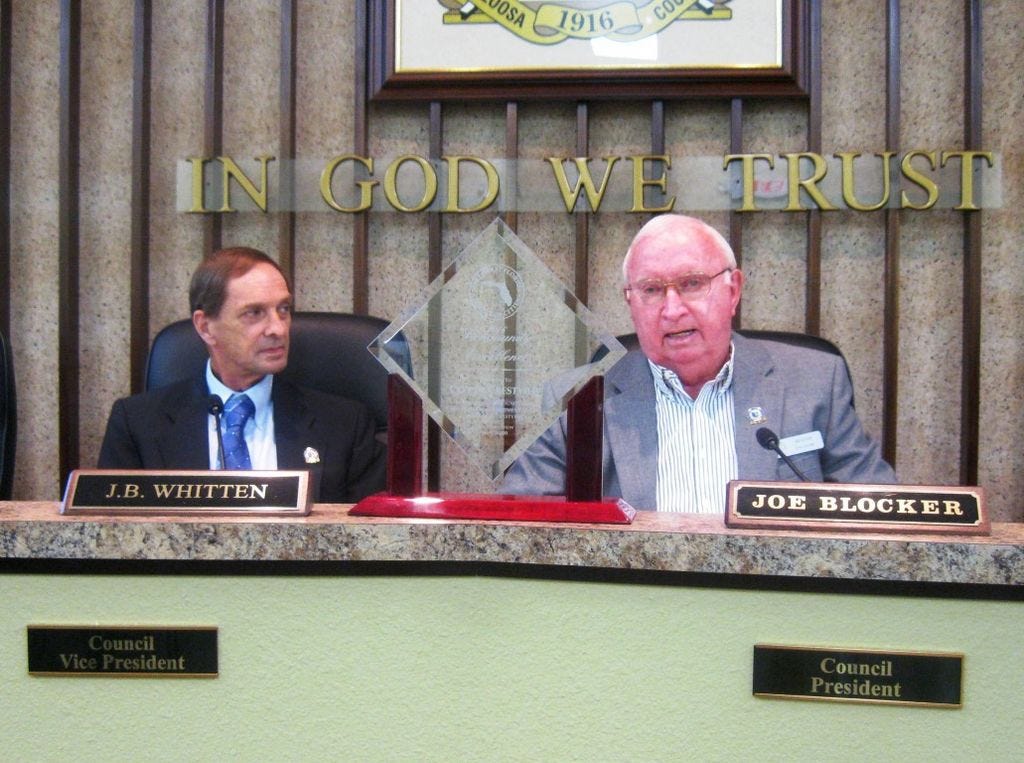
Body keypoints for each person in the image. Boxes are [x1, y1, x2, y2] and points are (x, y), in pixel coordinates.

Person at [502, 214, 896, 512]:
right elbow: (521, 525)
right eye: (652, 290)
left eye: (692, 284)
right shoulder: (577, 398)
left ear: (733, 290)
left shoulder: (813, 382)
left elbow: (880, 508)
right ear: (631, 302)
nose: (672, 309)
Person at [98, 247, 385, 503]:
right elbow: (112, 534)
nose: (278, 328)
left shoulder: (344, 425)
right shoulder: (137, 424)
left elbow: (369, 537)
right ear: (205, 327)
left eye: (283, 309)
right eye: (254, 313)